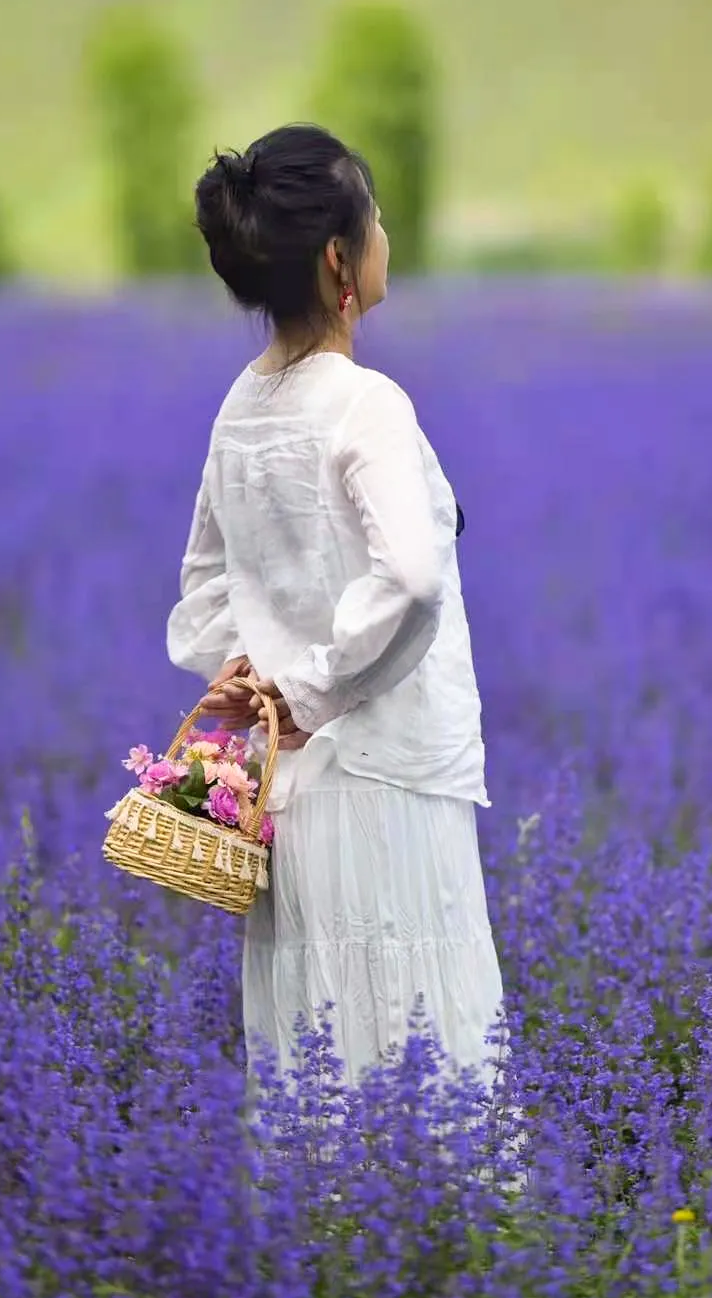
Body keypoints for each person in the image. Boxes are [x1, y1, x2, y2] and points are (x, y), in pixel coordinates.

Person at [166, 123, 504, 1085]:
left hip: (286, 796)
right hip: (387, 777)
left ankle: (324, 1235)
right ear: (337, 258)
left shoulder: (242, 406)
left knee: (312, 1053)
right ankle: (430, 1235)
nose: (387, 231)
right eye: (377, 216)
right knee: (417, 1044)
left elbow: (201, 590)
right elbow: (411, 576)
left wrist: (252, 682)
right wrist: (308, 693)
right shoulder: (367, 405)